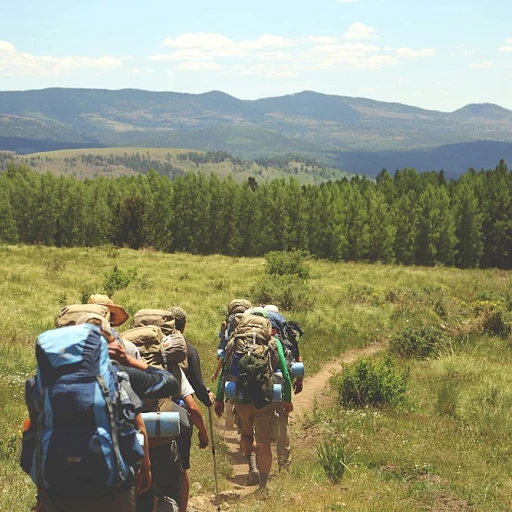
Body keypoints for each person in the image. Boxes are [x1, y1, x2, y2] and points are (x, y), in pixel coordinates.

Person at [24, 314, 179, 512]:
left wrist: (42, 495)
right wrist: (128, 360)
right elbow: (168, 384)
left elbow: (36, 436)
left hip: (59, 488)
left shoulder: (41, 385)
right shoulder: (119, 377)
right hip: (112, 490)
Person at [214, 311, 293, 492]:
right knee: (264, 443)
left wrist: (219, 398)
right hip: (264, 399)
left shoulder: (234, 342)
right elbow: (285, 373)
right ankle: (263, 487)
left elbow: (225, 373)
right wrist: (287, 398)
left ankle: (252, 469)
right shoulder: (273, 343)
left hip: (240, 398)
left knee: (246, 435)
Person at [168, 306, 211, 512]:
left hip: (145, 416)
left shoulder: (149, 350)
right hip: (180, 416)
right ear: (183, 326)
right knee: (182, 467)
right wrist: (209, 401)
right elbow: (198, 388)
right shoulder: (187, 350)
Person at [264, 304, 304, 471]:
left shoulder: (255, 337)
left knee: (259, 423)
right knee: (282, 421)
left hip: (261, 385)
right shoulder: (285, 334)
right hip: (280, 383)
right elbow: (297, 359)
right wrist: (299, 381)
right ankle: (284, 463)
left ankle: (259, 466)